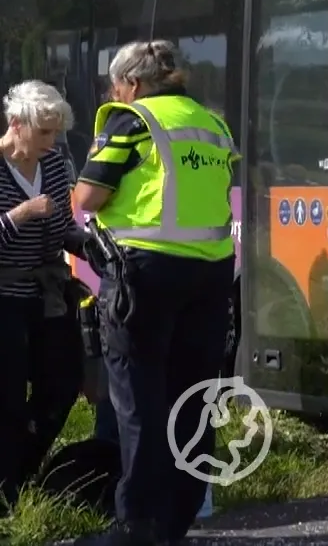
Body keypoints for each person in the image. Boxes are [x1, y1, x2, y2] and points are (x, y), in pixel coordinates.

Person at [70, 40, 236, 546]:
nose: (113, 92)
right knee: (193, 397)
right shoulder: (213, 124)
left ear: (133, 84)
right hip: (210, 275)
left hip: (144, 277)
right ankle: (176, 521)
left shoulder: (131, 120)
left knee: (139, 400)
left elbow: (87, 196)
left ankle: (135, 525)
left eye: (114, 85)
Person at [0, 80, 83, 508]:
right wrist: (21, 213)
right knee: (9, 395)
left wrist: (87, 244)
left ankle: (25, 468)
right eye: (45, 132)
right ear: (17, 124)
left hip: (47, 289)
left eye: (56, 132)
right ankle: (7, 491)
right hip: (5, 293)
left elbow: (64, 225)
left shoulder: (51, 164)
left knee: (65, 382)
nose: (52, 142)